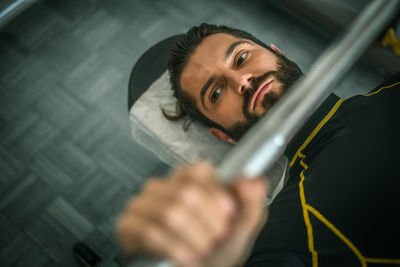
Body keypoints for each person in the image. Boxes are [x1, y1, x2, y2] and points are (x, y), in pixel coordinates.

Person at [117, 24, 400, 267]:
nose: (241, 80)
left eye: (241, 58)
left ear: (277, 53)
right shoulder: (286, 231)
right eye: (215, 93)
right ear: (224, 136)